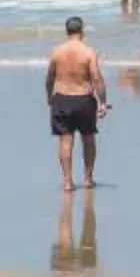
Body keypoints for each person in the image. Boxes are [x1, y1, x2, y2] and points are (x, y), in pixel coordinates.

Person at [46, 18, 109, 193]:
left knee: (65, 140)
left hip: (61, 98)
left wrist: (49, 97)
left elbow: (50, 77)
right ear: (82, 30)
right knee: (88, 137)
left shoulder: (57, 51)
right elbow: (96, 78)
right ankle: (88, 178)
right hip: (83, 99)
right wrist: (103, 102)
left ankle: (67, 182)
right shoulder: (88, 52)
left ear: (67, 31)